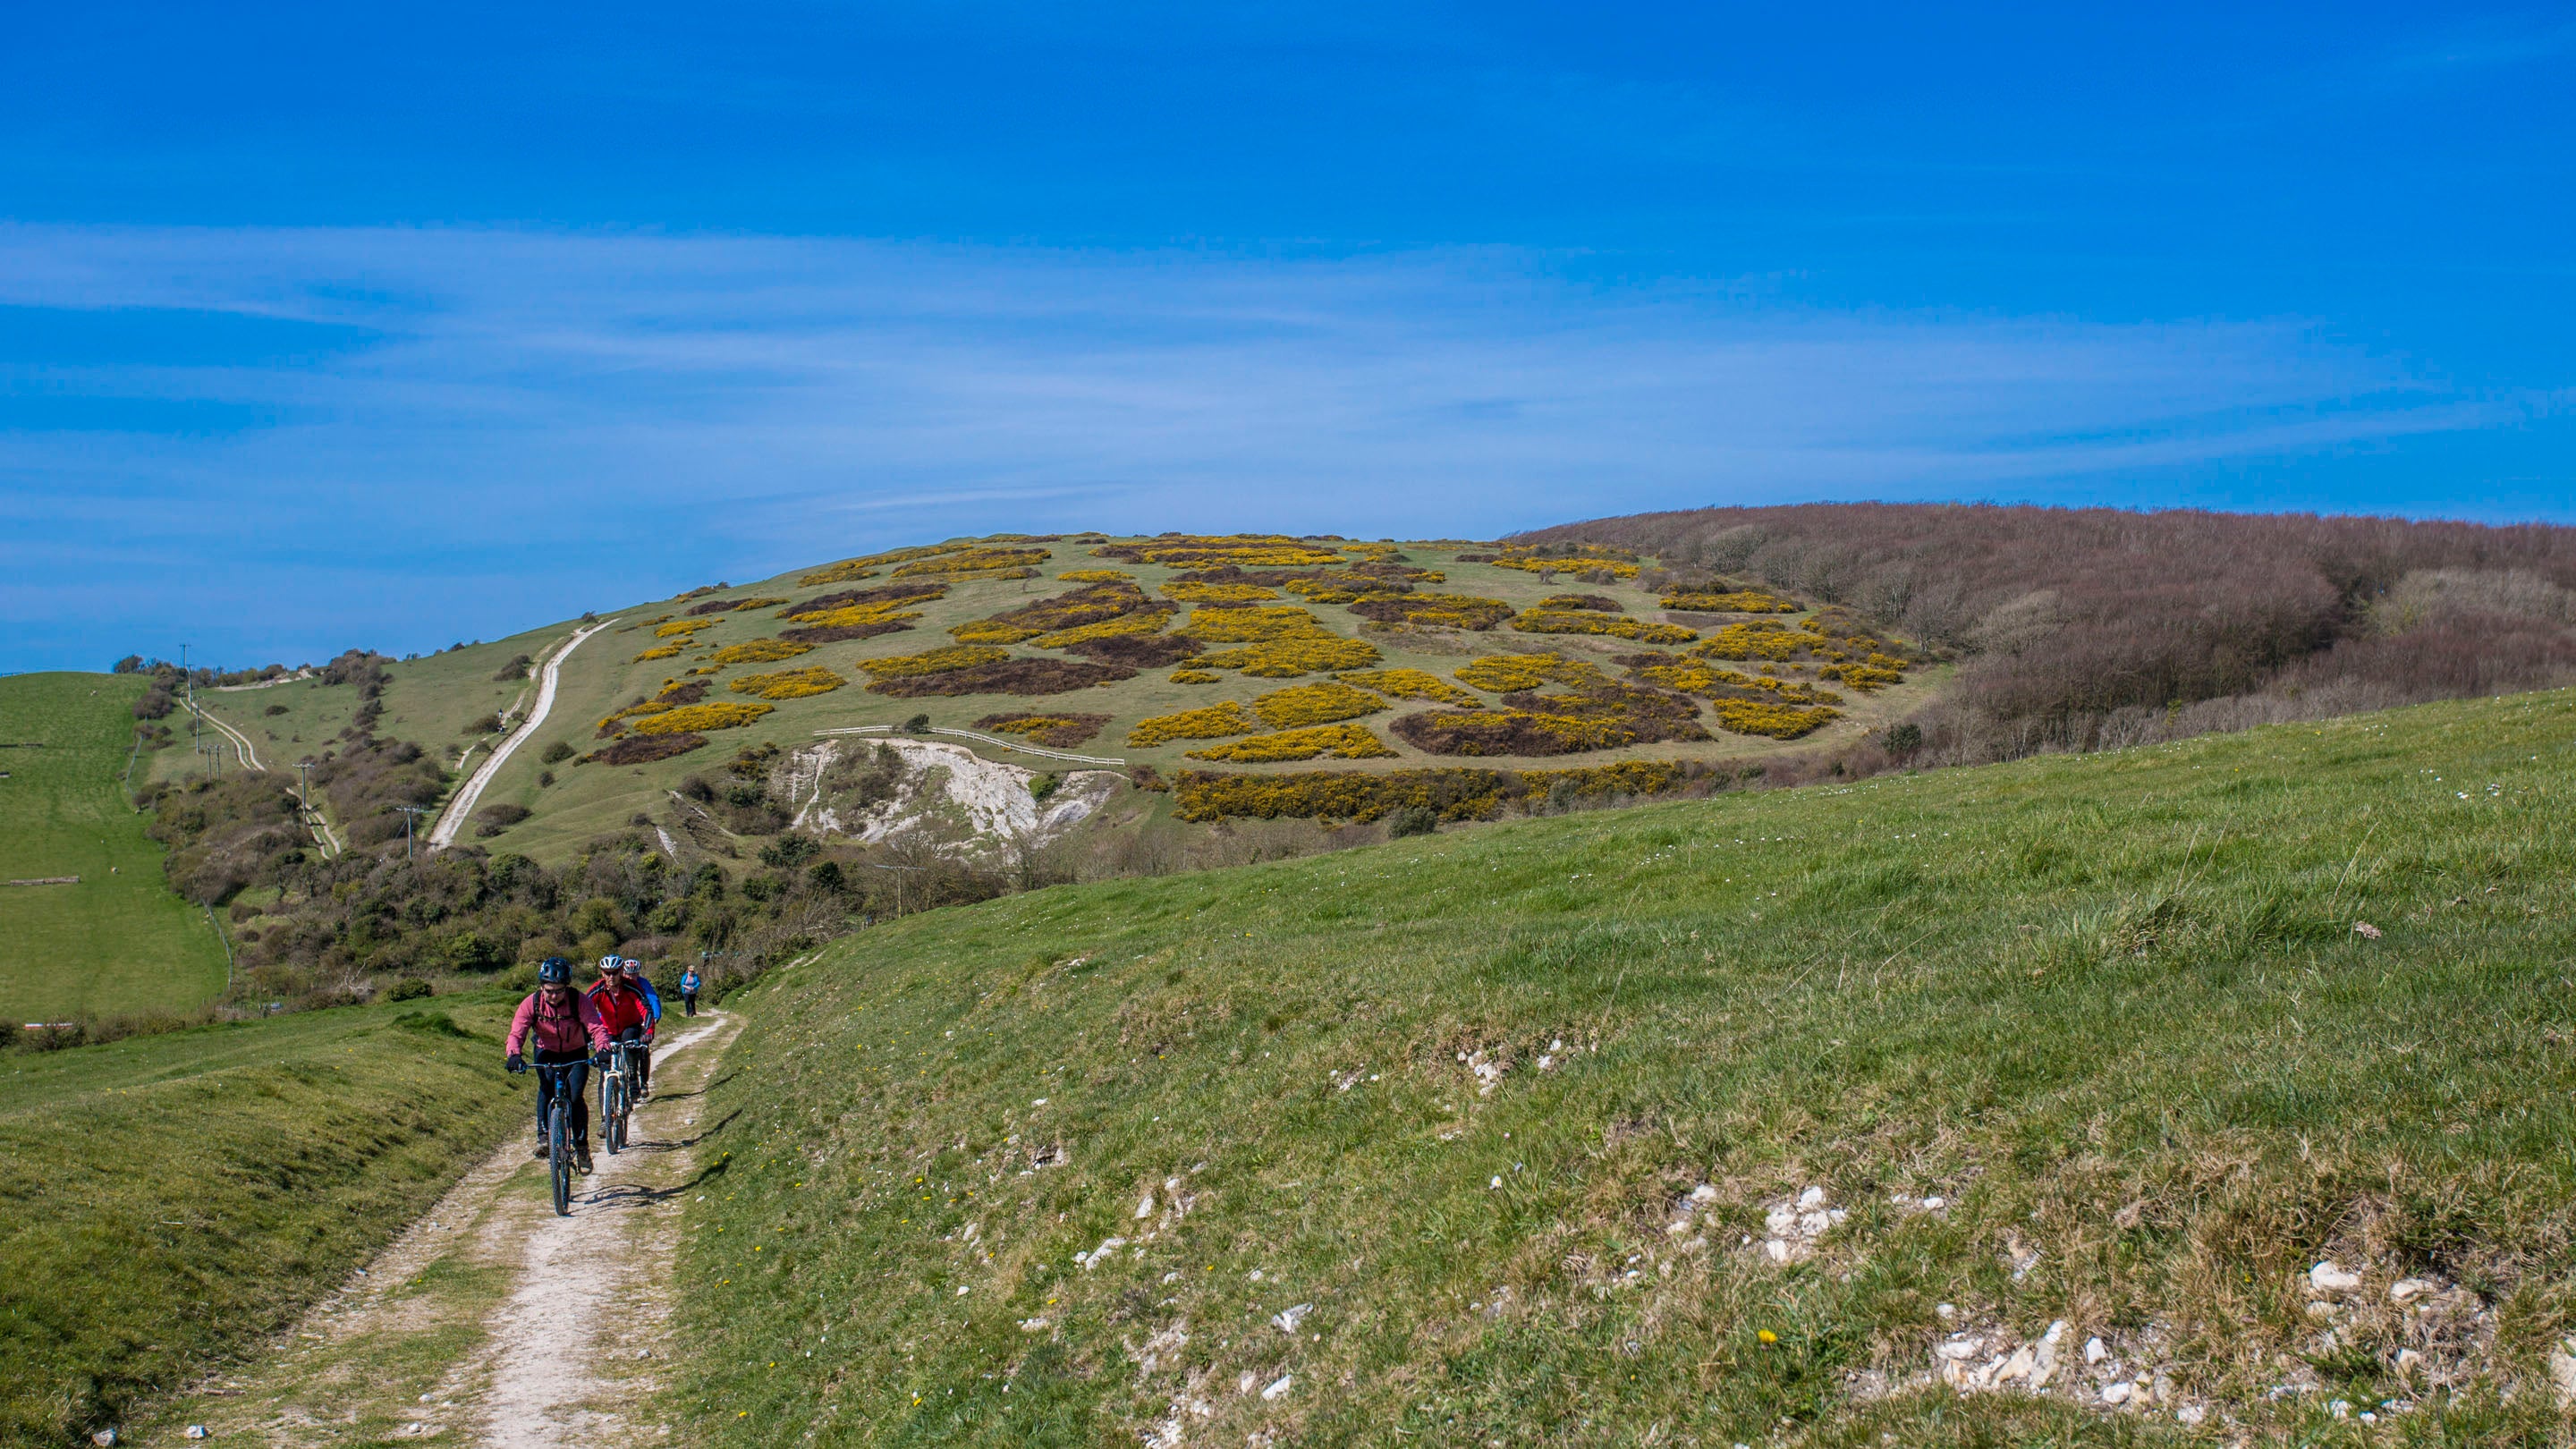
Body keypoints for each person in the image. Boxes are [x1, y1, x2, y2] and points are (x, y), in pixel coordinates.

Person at [504, 956, 611, 1173]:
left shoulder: (578, 1000)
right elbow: (517, 1032)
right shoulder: (532, 1003)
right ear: (541, 987)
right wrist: (514, 1055)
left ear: (567, 987)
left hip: (576, 1053)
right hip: (546, 1052)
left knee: (574, 1097)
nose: (553, 996)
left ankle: (581, 1147)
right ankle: (544, 1137)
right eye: (549, 990)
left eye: (559, 990)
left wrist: (603, 1049)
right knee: (545, 1087)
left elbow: (596, 1028)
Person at [588, 956, 656, 1102]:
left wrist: (649, 1031)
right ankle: (605, 1118)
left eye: (615, 973)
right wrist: (586, 1037)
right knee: (604, 1071)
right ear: (602, 974)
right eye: (607, 973)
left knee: (630, 1044)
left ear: (621, 972)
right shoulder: (597, 989)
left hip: (630, 1026)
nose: (611, 977)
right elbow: (584, 1012)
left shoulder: (632, 987)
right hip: (607, 1030)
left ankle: (633, 1084)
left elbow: (646, 1009)